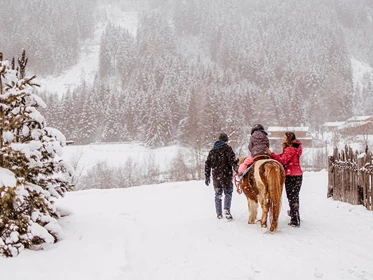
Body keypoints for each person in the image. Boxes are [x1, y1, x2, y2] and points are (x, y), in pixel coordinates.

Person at [266, 132, 303, 227]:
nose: (283, 139)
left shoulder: (290, 149)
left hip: (291, 175)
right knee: (295, 196)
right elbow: (283, 156)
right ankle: (294, 214)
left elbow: (282, 160)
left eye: (285, 137)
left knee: (291, 196)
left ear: (288, 139)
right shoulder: (296, 148)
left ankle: (294, 220)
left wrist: (271, 154)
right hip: (298, 174)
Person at [205, 133, 238, 220]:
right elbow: (232, 161)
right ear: (226, 140)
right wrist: (237, 169)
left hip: (216, 176)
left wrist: (207, 176)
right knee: (228, 193)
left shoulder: (212, 151)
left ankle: (219, 213)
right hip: (226, 175)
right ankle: (226, 209)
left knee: (218, 194)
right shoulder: (228, 148)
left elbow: (207, 164)